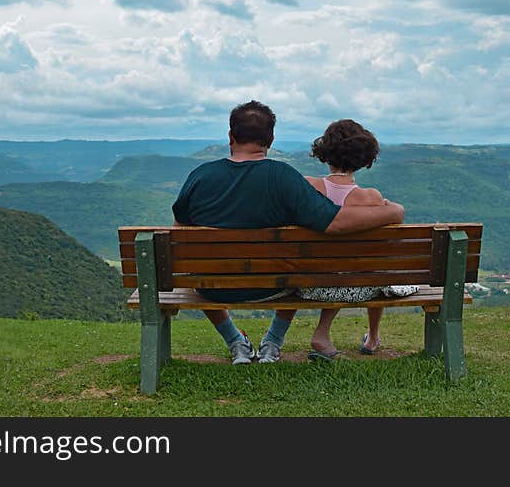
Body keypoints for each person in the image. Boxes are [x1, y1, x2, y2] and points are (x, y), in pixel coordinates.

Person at [172, 101, 405, 365]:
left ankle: (235, 341)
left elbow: (181, 234)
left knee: (199, 269)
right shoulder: (284, 177)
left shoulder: (199, 176)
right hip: (274, 286)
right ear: (270, 139)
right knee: (297, 261)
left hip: (211, 287)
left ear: (230, 136)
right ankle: (272, 341)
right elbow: (335, 223)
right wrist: (394, 212)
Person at [299, 119, 418, 360]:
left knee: (340, 266)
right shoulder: (370, 198)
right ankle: (373, 337)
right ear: (363, 158)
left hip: (309, 284)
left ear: (325, 151)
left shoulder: (308, 186)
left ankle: (322, 333)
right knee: (378, 266)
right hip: (359, 287)